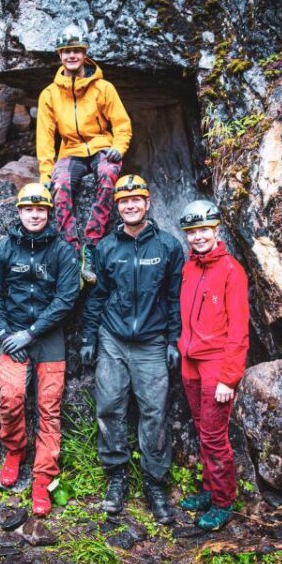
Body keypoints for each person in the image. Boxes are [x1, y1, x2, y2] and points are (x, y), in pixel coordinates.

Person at [81, 174, 184, 524]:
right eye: (124, 201)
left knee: (154, 411)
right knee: (109, 406)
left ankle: (155, 483)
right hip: (113, 338)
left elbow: (174, 299)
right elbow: (97, 296)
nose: (130, 205)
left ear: (147, 203)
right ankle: (116, 477)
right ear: (117, 207)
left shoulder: (169, 247)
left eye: (136, 199)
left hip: (152, 341)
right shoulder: (107, 247)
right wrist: (88, 338)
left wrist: (173, 340)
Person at [0, 183, 80, 516]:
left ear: (49, 213)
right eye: (28, 209)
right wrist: (4, 333)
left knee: (48, 409)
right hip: (11, 336)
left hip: (49, 339)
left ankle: (42, 479)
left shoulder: (63, 251)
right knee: (10, 398)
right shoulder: (3, 249)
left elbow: (67, 298)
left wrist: (32, 333)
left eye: (41, 209)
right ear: (19, 212)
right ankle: (14, 451)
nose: (35, 214)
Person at [37, 23, 133, 285]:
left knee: (107, 173)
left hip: (101, 145)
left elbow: (122, 124)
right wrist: (46, 172)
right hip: (70, 150)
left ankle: (91, 244)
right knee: (61, 184)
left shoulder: (104, 88)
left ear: (85, 53)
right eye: (66, 51)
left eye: (76, 51)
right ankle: (71, 250)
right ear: (59, 55)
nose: (71, 56)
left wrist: (118, 147)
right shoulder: (49, 94)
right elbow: (45, 136)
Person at [176, 200, 249, 531]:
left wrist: (228, 379)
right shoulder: (190, 268)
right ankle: (208, 489)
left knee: (215, 435)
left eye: (204, 230)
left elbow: (239, 330)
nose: (198, 237)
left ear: (216, 230)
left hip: (217, 365)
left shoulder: (231, 270)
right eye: (192, 232)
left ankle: (223, 501)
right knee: (201, 428)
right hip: (190, 361)